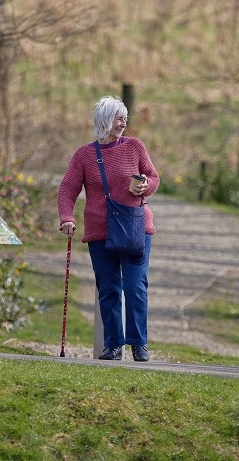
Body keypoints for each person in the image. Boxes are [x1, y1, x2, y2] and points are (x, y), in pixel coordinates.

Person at [57, 96, 159, 362]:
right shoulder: (85, 155)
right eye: (118, 117)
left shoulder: (135, 147)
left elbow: (154, 176)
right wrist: (67, 217)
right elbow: (68, 188)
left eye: (125, 117)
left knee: (136, 287)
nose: (123, 122)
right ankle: (113, 345)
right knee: (109, 288)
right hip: (101, 231)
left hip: (136, 226)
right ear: (104, 120)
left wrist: (144, 186)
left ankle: (139, 344)